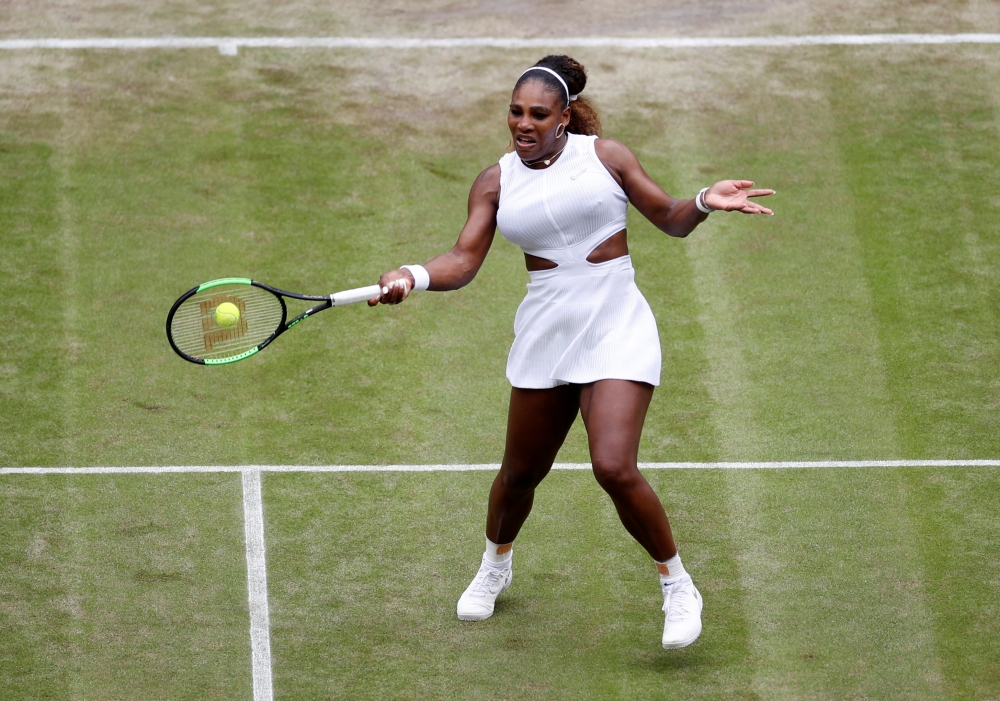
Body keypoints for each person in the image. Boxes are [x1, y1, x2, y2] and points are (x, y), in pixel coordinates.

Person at [370, 55, 773, 650]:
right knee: (520, 474)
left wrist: (706, 201)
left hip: (615, 321)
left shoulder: (605, 157)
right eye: (515, 112)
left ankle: (678, 585)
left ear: (564, 118)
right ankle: (495, 564)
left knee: (613, 465)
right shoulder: (495, 180)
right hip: (547, 328)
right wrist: (412, 274)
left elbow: (670, 218)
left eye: (538, 114)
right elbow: (462, 261)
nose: (523, 124)